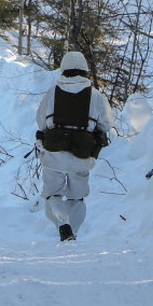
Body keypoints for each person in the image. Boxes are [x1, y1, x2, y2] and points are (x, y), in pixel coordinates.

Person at [35, 51, 113, 241]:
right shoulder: (96, 96)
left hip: (53, 154)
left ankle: (63, 224)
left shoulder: (52, 92)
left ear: (63, 69)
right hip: (81, 155)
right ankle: (73, 234)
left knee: (53, 194)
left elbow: (41, 122)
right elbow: (107, 125)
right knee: (76, 198)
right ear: (85, 71)